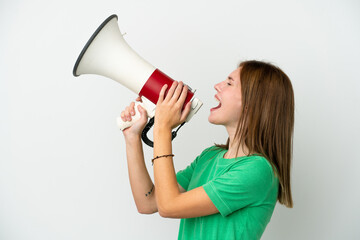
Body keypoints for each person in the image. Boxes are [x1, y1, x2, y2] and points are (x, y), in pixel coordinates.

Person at [120, 60, 294, 240]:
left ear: (253, 103)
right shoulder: (209, 157)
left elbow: (168, 206)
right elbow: (148, 203)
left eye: (229, 83)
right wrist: (132, 137)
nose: (217, 86)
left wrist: (162, 128)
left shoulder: (258, 170)